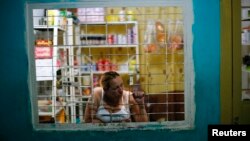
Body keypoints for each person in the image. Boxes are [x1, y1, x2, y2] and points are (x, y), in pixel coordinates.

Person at [84, 71, 148, 123]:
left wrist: (141, 106)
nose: (121, 90)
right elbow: (87, 121)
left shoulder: (128, 97)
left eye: (121, 85)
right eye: (115, 88)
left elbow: (143, 123)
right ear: (105, 89)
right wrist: (113, 125)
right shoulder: (96, 94)